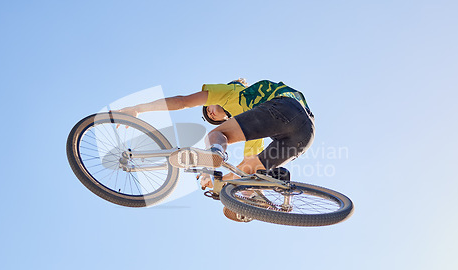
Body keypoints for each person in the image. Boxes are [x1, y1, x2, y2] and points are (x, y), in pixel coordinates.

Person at [117, 79, 315, 222]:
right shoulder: (253, 119)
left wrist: (138, 109)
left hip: (284, 108)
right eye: (213, 118)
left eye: (207, 109)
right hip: (305, 135)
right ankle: (261, 194)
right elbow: (245, 166)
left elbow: (182, 101)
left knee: (217, 135)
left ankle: (216, 151)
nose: (210, 113)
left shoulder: (230, 92)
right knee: (252, 173)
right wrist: (216, 181)